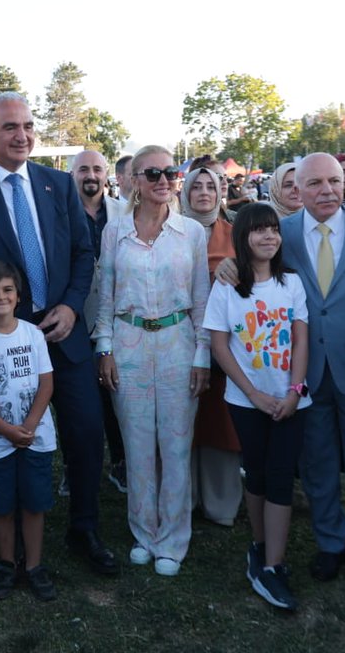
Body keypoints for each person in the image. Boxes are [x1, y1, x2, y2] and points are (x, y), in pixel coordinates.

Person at [0, 92, 118, 576]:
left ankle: (84, 527)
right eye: (10, 127)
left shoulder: (59, 185)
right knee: (2, 436)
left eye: (28, 126)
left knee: (84, 431)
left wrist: (73, 306)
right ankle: (11, 534)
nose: (22, 135)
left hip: (61, 335)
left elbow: (83, 254)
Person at [216, 152, 345, 592]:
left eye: (333, 182)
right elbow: (253, 262)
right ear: (298, 188)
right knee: (317, 465)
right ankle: (331, 543)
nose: (325, 191)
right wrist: (228, 264)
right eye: (313, 184)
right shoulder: (284, 232)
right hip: (304, 375)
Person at [93, 145, 210, 576]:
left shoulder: (191, 234)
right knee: (138, 447)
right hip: (128, 344)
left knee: (176, 447)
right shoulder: (114, 232)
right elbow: (105, 296)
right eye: (153, 173)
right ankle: (144, 532)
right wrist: (104, 348)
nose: (164, 180)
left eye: (170, 173)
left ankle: (173, 541)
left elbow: (201, 300)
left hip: (179, 344)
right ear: (135, 181)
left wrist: (203, 357)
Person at [205, 202, 310, 611]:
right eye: (259, 230)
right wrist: (253, 394)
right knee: (257, 472)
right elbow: (219, 345)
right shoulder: (227, 287)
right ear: (243, 237)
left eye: (274, 230)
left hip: (290, 401)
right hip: (246, 401)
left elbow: (300, 339)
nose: (269, 237)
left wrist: (295, 392)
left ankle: (273, 566)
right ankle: (260, 544)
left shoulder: (292, 284)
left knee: (282, 477)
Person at [0, 260, 59, 601]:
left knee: (34, 504)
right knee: (1, 506)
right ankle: (6, 564)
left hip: (35, 437)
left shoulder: (32, 334)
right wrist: (5, 429)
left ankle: (33, 566)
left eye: (7, 290)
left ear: (18, 296)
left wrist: (29, 426)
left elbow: (46, 383)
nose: (0, 297)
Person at [181, 167, 243, 527]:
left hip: (224, 346)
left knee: (220, 421)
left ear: (221, 191)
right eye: (196, 186)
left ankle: (220, 502)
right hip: (180, 340)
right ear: (185, 192)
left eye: (211, 186)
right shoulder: (170, 231)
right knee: (185, 419)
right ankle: (185, 497)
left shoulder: (235, 234)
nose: (203, 192)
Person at [71, 149, 129, 494]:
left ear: (106, 174)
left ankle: (120, 463)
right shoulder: (59, 213)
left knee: (117, 394)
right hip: (76, 318)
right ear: (72, 175)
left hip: (118, 318)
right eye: (82, 169)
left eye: (96, 169)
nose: (90, 175)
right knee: (77, 400)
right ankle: (72, 465)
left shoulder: (124, 213)